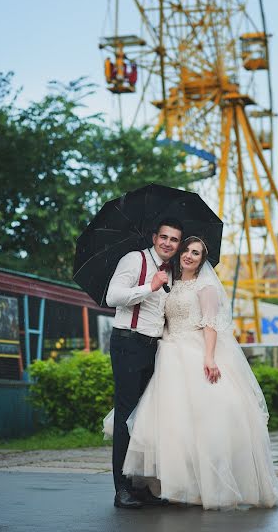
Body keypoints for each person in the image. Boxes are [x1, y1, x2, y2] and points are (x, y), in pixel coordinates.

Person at [104, 236, 278, 510]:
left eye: (195, 253)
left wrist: (209, 358)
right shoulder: (170, 281)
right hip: (167, 352)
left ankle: (206, 486)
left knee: (202, 423)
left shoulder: (206, 286)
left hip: (193, 352)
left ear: (202, 260)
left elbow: (210, 323)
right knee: (170, 425)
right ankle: (163, 485)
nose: (188, 255)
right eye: (185, 249)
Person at [105, 218, 183, 509]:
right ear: (154, 237)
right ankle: (121, 489)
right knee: (126, 416)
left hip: (155, 348)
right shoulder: (134, 260)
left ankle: (143, 486)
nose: (168, 243)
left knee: (149, 417)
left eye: (174, 240)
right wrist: (148, 287)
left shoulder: (173, 272)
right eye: (164, 237)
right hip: (128, 341)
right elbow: (113, 297)